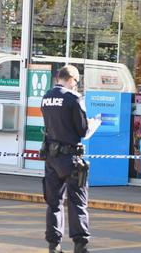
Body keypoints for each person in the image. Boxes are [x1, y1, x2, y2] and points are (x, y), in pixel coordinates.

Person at [40, 65, 100, 253]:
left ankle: (54, 245)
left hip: (51, 157)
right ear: (72, 78)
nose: (76, 85)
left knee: (54, 202)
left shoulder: (47, 97)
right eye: (76, 81)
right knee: (77, 202)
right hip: (71, 158)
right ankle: (80, 245)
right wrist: (94, 124)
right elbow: (82, 130)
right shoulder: (74, 98)